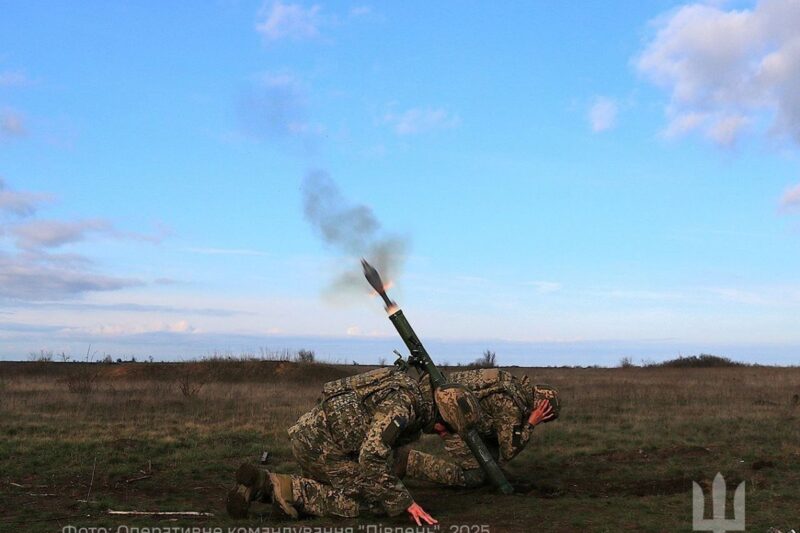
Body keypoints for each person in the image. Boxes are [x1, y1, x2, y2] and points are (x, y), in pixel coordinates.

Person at [227, 366, 440, 525]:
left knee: (364, 482)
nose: (441, 432)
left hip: (313, 439)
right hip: (322, 449)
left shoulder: (401, 386)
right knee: (373, 502)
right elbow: (371, 456)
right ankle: (287, 489)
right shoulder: (401, 406)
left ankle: (260, 484)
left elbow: (391, 452)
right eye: (443, 426)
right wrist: (405, 502)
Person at [398, 368, 560, 488]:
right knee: (475, 476)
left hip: (449, 409)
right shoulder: (511, 406)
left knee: (492, 459)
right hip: (448, 420)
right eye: (544, 417)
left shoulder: (512, 385)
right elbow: (509, 451)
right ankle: (409, 462)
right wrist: (531, 423)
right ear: (541, 407)